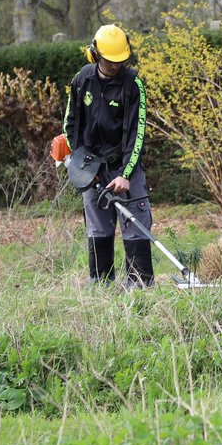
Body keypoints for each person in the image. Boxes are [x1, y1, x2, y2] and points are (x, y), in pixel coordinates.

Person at [62, 24, 154, 287]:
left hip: (124, 166)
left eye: (121, 61)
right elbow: (70, 125)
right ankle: (100, 285)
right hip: (91, 166)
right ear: (96, 55)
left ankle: (139, 287)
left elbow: (138, 133)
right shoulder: (82, 80)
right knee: (98, 227)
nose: (117, 66)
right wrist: (83, 166)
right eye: (111, 61)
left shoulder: (132, 83)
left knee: (134, 223)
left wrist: (126, 174)